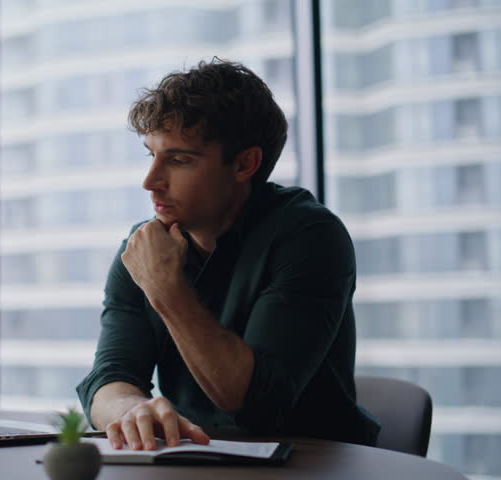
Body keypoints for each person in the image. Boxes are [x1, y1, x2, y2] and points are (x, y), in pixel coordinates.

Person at [76, 59, 380, 451]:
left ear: (244, 164)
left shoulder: (311, 237)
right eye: (150, 155)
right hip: (195, 462)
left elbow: (258, 407)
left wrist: (168, 290)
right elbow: (109, 378)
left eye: (179, 159)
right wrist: (131, 409)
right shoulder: (144, 246)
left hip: (309, 465)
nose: (150, 181)